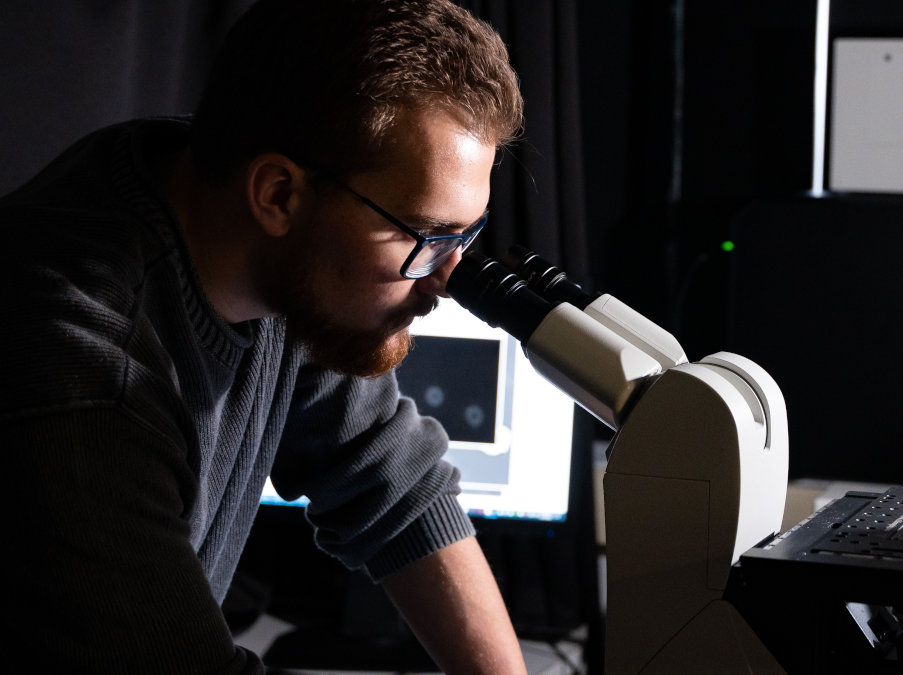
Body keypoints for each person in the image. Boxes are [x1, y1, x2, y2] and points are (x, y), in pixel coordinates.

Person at [0, 0, 529, 672]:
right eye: (425, 236)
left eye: (464, 236)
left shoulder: (257, 245)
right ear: (277, 194)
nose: (442, 280)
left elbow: (392, 481)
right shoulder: (84, 380)